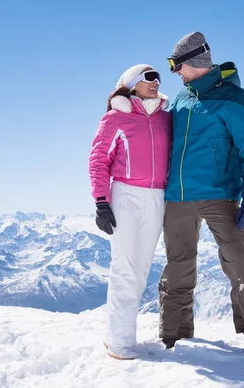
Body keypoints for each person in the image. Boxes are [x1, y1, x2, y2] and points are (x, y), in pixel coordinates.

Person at [158, 32, 244, 357]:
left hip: (220, 195)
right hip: (178, 198)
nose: (175, 72)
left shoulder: (234, 99)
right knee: (178, 264)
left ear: (195, 62)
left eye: (177, 65)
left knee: (238, 262)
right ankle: (174, 333)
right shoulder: (180, 99)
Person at [89, 64, 172, 360]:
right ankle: (120, 343)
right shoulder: (116, 118)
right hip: (125, 194)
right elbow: (99, 159)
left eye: (158, 77)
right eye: (149, 77)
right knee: (124, 266)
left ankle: (119, 333)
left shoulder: (165, 118)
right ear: (133, 83)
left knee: (140, 269)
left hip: (157, 196)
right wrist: (101, 201)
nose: (156, 81)